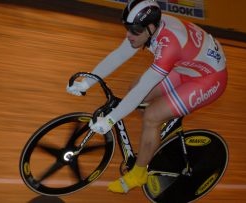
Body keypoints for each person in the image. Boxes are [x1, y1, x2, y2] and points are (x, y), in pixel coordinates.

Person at [67, 0, 227, 194]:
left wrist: (111, 119)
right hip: (187, 67)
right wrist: (86, 83)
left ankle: (139, 173)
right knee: (134, 89)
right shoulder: (149, 28)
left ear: (151, 28)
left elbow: (144, 87)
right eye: (127, 28)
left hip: (209, 79)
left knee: (151, 115)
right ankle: (154, 135)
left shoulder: (169, 45)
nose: (129, 35)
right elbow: (118, 56)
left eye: (134, 30)